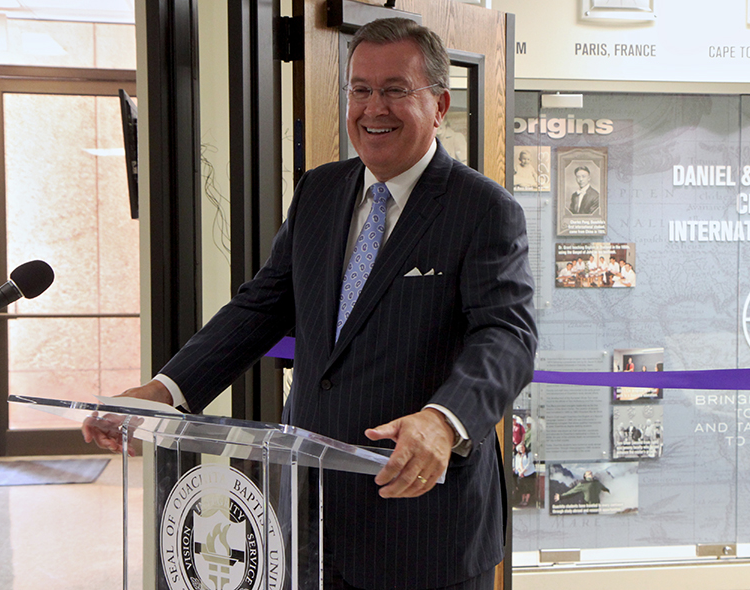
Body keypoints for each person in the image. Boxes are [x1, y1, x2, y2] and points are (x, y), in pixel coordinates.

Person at [84, 18, 537, 590]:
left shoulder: (483, 209)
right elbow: (260, 308)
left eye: (396, 89)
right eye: (361, 89)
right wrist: (166, 390)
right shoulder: (320, 191)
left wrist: (443, 421)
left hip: (423, 525)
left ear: (439, 104)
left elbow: (506, 336)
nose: (374, 108)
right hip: (308, 516)